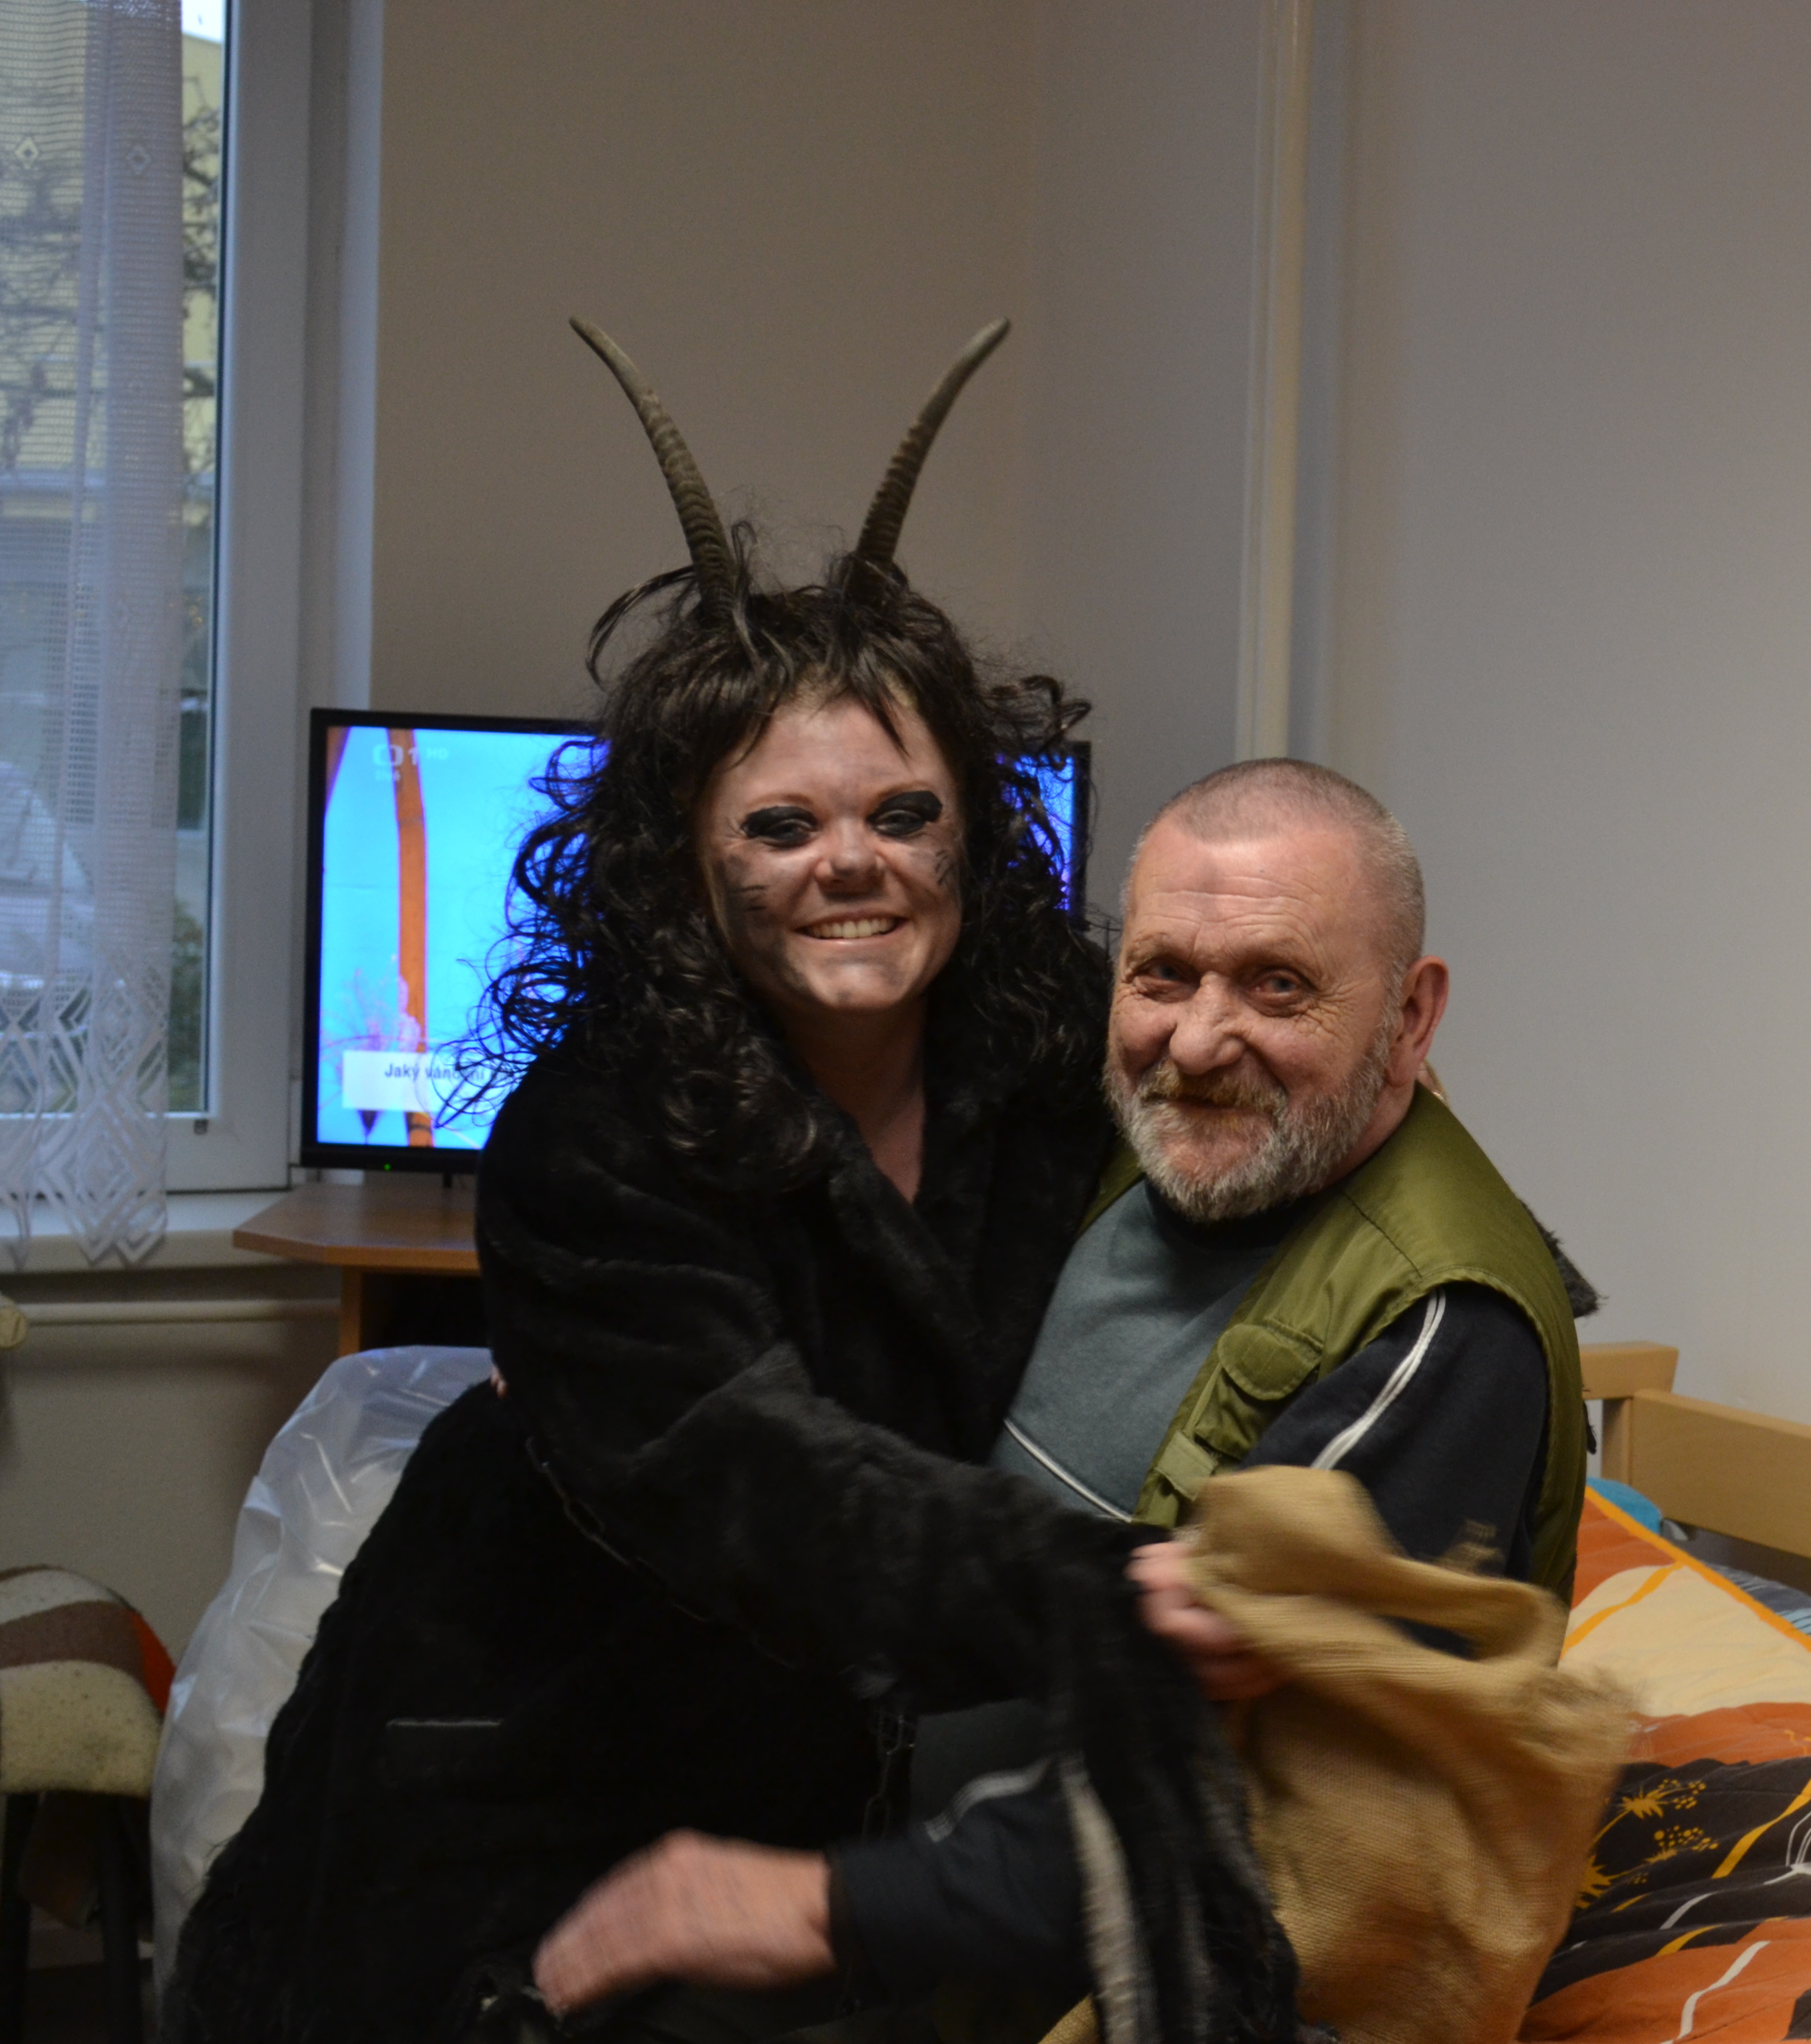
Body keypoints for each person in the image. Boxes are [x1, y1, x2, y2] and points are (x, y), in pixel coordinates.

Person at [163, 325, 1294, 2044]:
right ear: (685, 863)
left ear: (974, 838)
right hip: (508, 1774)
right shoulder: (588, 1140)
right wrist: (1091, 1591)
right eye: (781, 826)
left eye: (902, 814)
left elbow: (1273, 1109)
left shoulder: (1047, 1076)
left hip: (801, 1801)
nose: (852, 863)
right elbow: (760, 1483)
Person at [526, 759, 1595, 2021]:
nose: (1198, 1042)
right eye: (1162, 975)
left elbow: (1262, 1816)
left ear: (1411, 1016)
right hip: (912, 1884)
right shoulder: (1134, 1148)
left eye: (1278, 985)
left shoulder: (1439, 1327)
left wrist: (833, 1907)